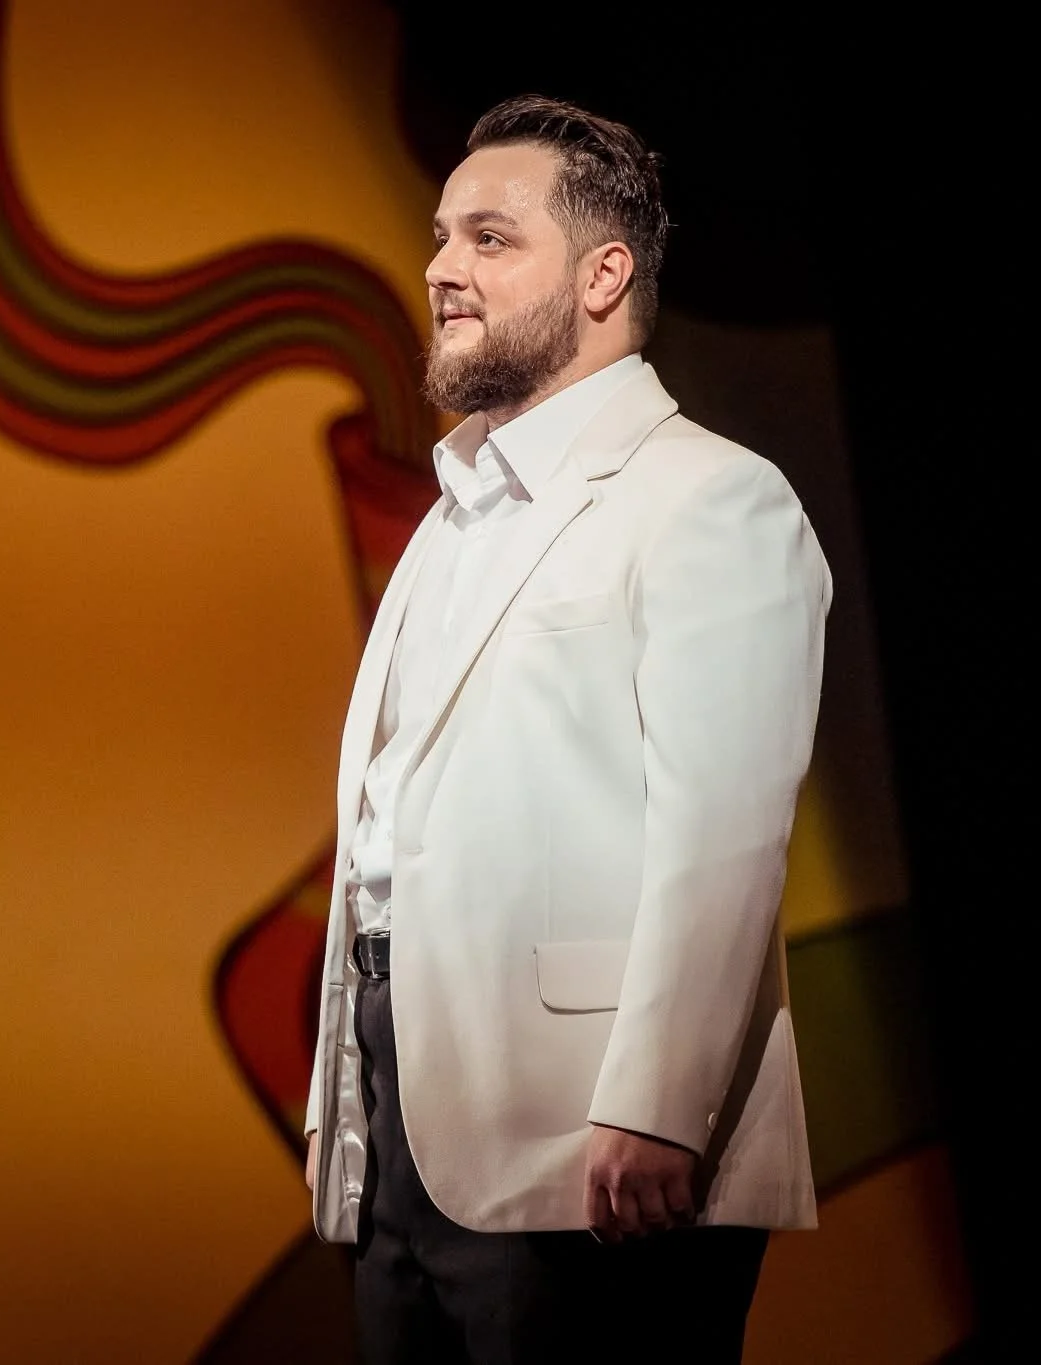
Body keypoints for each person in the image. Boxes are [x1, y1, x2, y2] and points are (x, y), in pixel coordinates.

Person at [302, 94, 829, 1363]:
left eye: (489, 238)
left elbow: (725, 828)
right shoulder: (451, 516)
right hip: (406, 1116)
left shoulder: (709, 497)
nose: (440, 270)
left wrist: (661, 1107)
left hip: (587, 1133)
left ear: (603, 274)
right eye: (439, 238)